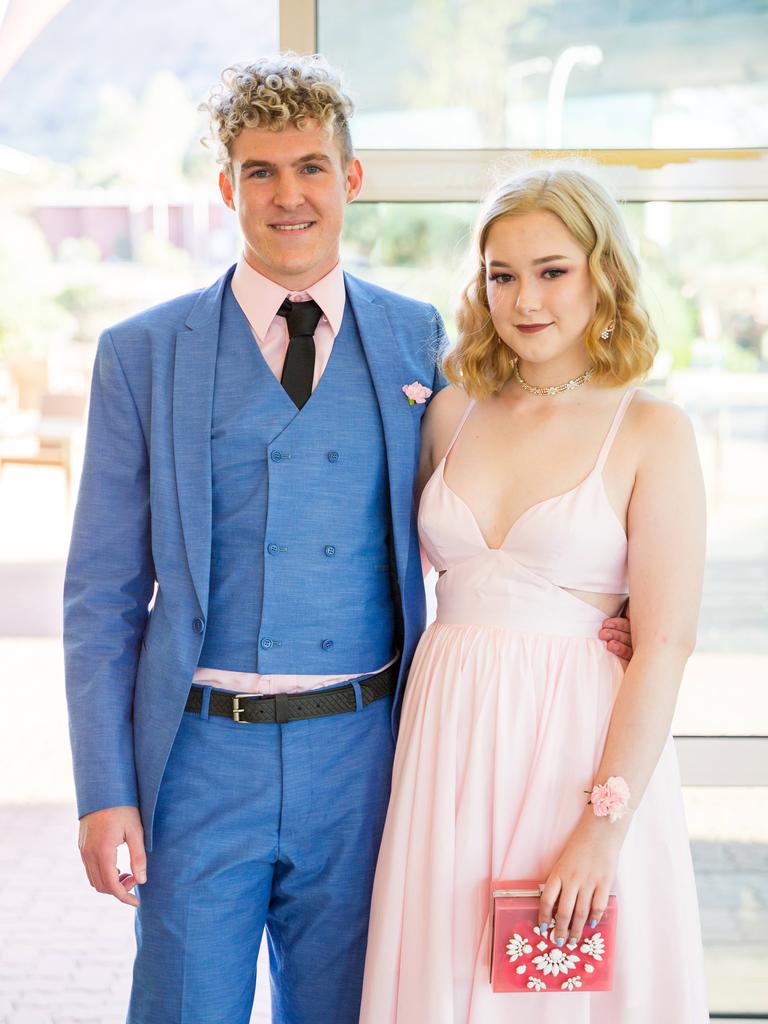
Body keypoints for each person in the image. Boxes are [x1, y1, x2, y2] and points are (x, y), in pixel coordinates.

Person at [63, 55, 632, 1024]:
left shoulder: (420, 342)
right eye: (261, 171)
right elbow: (101, 595)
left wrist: (600, 612)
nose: (290, 195)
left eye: (312, 167)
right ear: (225, 185)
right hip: (200, 757)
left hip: (368, 758)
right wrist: (101, 789)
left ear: (351, 178)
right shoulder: (142, 355)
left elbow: (523, 470)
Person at [359, 164, 708, 1022]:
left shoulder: (652, 430)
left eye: (552, 271)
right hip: (446, 743)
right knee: (447, 975)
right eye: (501, 275)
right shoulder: (452, 413)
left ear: (604, 273)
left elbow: (664, 643)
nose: (525, 300)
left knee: (560, 992)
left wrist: (603, 827)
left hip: (576, 754)